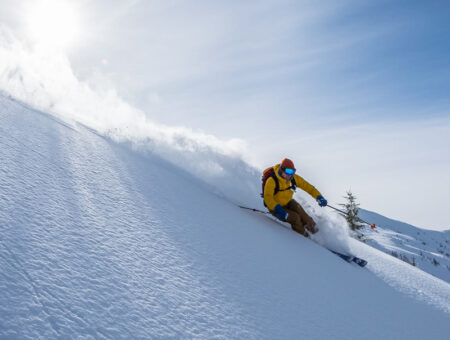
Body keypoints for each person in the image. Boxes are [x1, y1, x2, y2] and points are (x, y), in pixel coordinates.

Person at [262, 158, 327, 237]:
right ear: (282, 170)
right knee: (295, 218)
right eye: (288, 171)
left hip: (288, 202)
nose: (290, 174)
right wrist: (276, 208)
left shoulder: (293, 178)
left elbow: (308, 187)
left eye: (293, 171)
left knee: (302, 214)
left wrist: (319, 196)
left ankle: (318, 235)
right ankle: (306, 239)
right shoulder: (272, 180)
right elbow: (268, 197)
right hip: (276, 207)